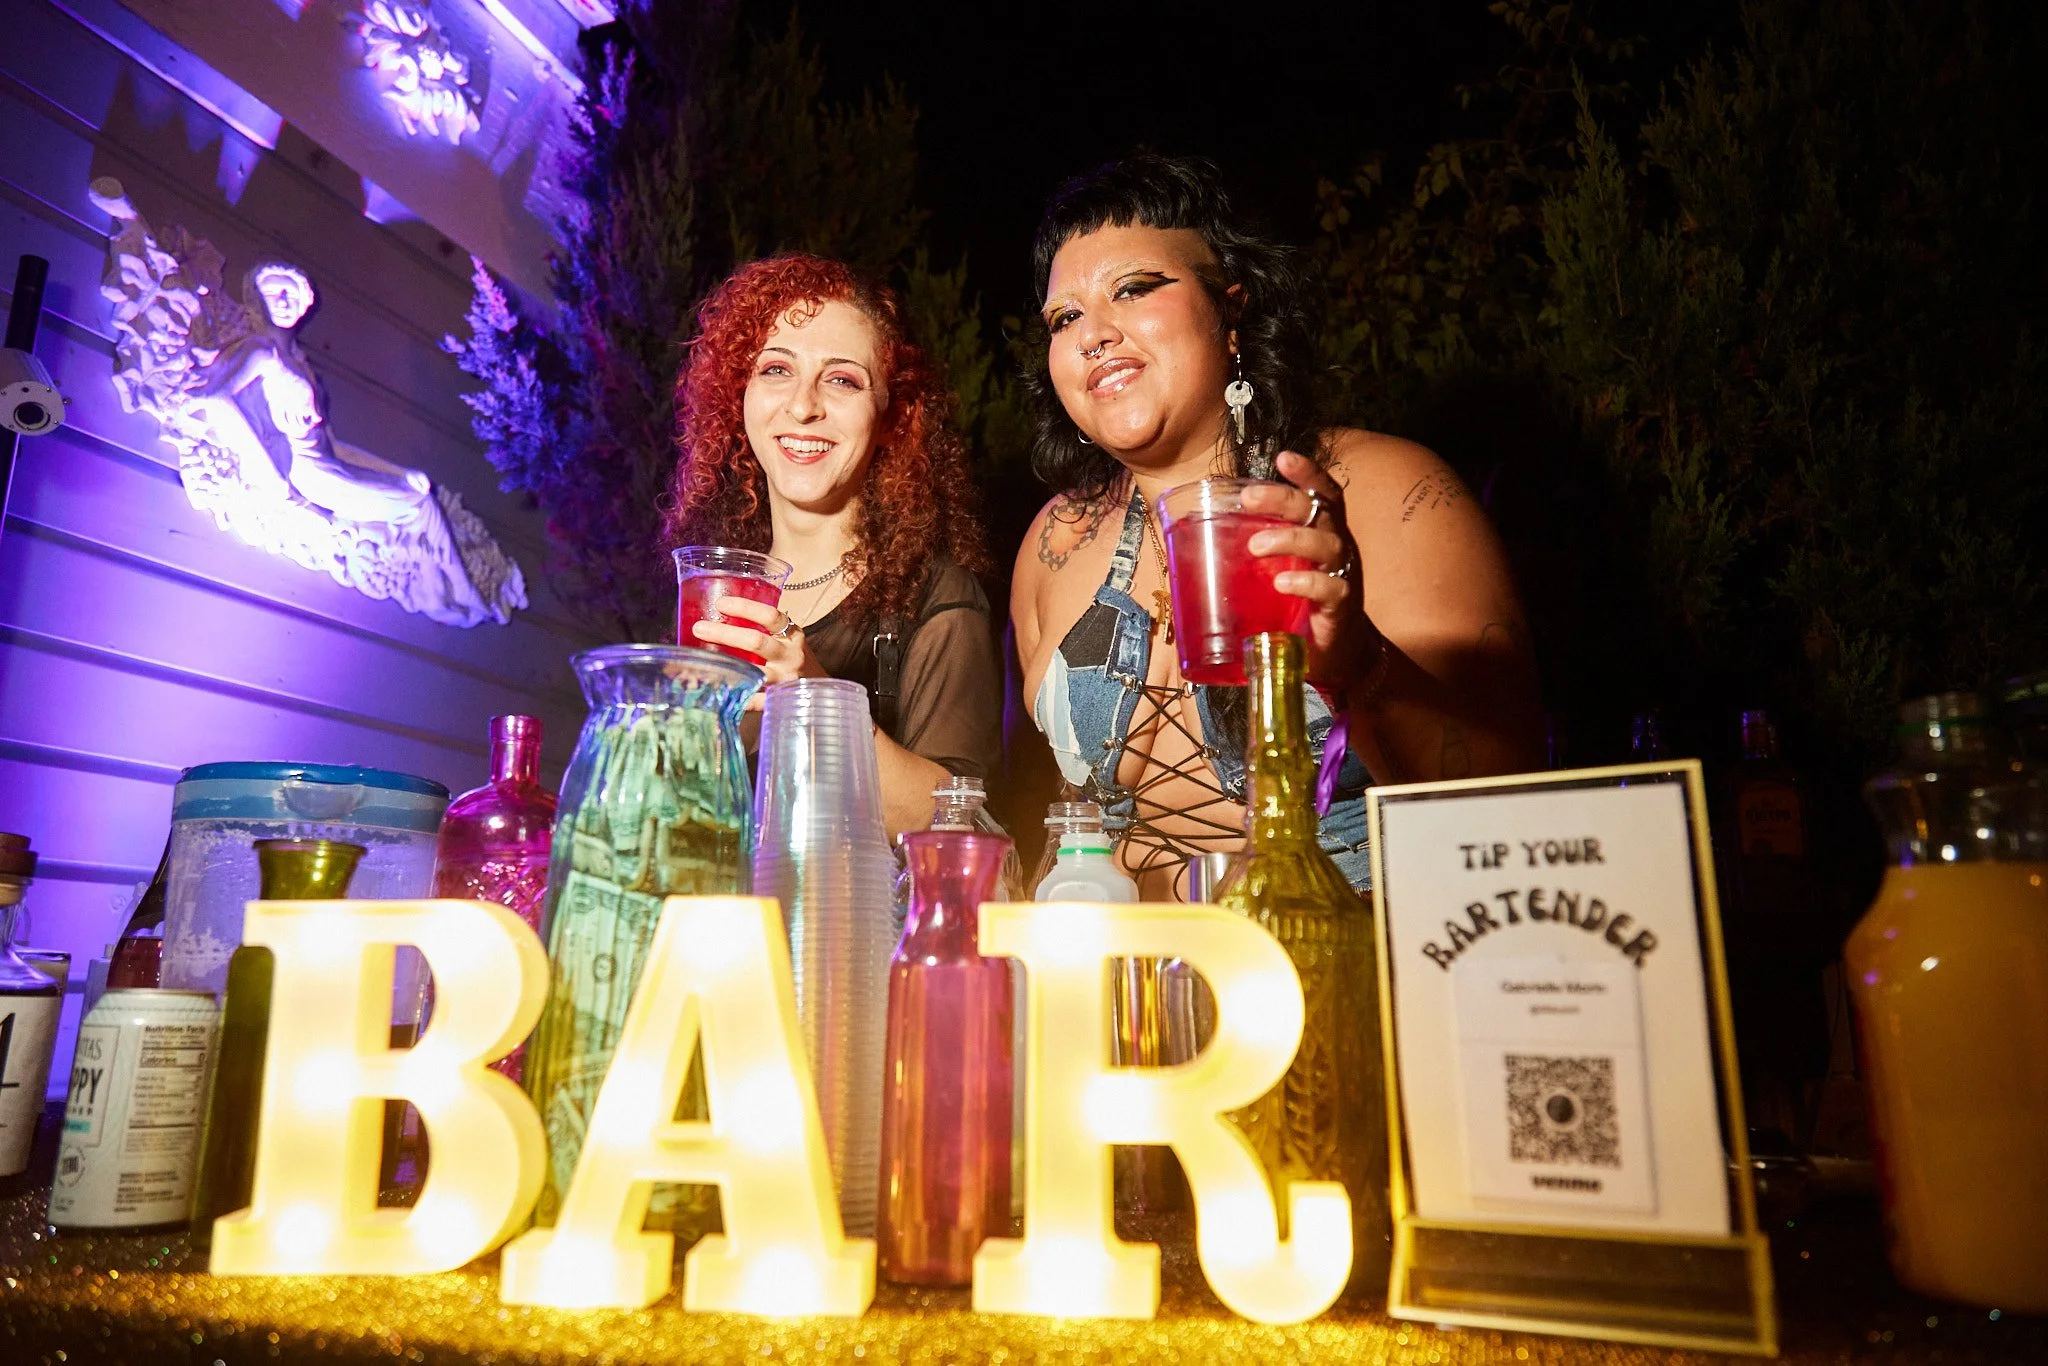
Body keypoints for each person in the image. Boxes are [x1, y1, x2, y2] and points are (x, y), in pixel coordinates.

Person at [1012, 155, 1544, 899]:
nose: (1091, 334)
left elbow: (1514, 803)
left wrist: (1357, 665)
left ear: (1231, 313)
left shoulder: (1388, 491)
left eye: (1132, 289)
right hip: (1131, 965)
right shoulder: (1053, 545)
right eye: (1064, 318)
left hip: (1352, 951)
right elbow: (1068, 826)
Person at [667, 253, 1001, 835]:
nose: (803, 406)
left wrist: (818, 703)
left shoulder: (938, 599)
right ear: (739, 396)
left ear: (890, 417)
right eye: (776, 369)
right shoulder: (714, 599)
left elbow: (960, 827)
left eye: (842, 379)